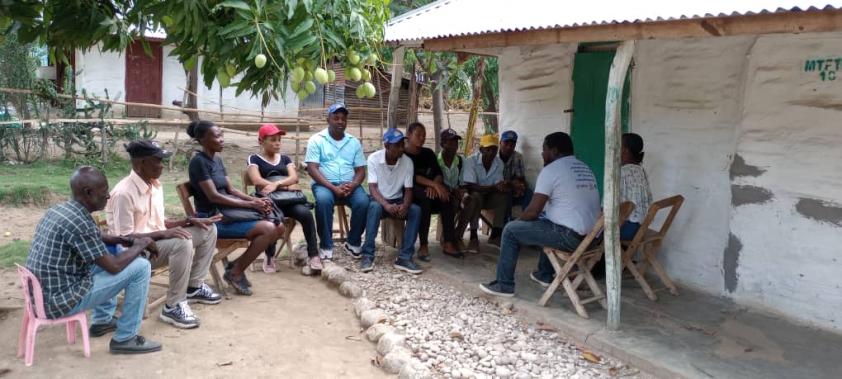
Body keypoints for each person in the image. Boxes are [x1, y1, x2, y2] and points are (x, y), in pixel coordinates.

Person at [26, 166, 162, 354]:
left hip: (44, 293)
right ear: (88, 193)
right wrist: (142, 243)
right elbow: (114, 267)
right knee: (140, 266)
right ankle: (125, 338)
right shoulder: (79, 222)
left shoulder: (63, 210)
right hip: (59, 301)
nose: (108, 196)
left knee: (111, 251)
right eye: (105, 191)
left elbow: (98, 236)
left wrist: (130, 240)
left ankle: (102, 321)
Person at [106, 140, 222, 329]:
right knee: (182, 243)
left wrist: (185, 221)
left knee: (207, 229)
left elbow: (157, 223)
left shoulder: (155, 185)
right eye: (157, 161)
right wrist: (166, 233)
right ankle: (173, 306)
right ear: (141, 163)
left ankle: (193, 286)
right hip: (135, 253)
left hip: (156, 245)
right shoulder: (123, 193)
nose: (162, 165)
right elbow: (124, 239)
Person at [479, 132, 600, 297]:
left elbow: (532, 212)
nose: (542, 154)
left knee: (511, 230)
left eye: (545, 150)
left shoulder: (551, 170)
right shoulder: (584, 168)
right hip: (592, 238)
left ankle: (503, 284)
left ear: (555, 151)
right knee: (546, 220)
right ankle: (544, 274)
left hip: (571, 237)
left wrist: (518, 224)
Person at [187, 120, 284, 296]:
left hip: (228, 214)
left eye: (221, 135)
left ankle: (235, 267)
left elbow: (231, 190)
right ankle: (236, 272)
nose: (222, 139)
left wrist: (257, 201)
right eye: (217, 136)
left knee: (278, 225)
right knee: (269, 228)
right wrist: (251, 204)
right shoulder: (198, 163)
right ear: (202, 140)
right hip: (213, 219)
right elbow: (214, 196)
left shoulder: (216, 159)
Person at [246, 123, 323, 273]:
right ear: (261, 141)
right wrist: (286, 186)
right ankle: (269, 256)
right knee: (273, 218)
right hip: (269, 202)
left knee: (306, 214)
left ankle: (313, 256)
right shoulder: (254, 159)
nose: (277, 143)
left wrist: (276, 185)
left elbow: (294, 178)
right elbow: (256, 180)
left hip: (289, 201)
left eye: (279, 140)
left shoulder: (285, 159)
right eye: (273, 139)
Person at [305, 103, 368, 260]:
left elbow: (361, 170)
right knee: (324, 200)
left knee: (363, 202)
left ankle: (353, 242)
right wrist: (333, 188)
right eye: (336, 118)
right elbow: (312, 168)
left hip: (349, 185)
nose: (340, 121)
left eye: (343, 118)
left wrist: (353, 185)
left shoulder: (353, 142)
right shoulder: (316, 140)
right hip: (325, 184)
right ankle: (326, 245)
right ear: (328, 119)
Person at [361, 128, 423, 274]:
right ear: (387, 146)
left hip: (398, 199)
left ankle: (404, 257)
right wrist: (387, 205)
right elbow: (373, 189)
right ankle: (367, 255)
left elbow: (408, 190)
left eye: (402, 144)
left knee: (415, 210)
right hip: (380, 200)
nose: (401, 148)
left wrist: (405, 206)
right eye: (397, 145)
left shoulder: (407, 162)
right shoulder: (374, 159)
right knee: (374, 208)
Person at [403, 122, 464, 260]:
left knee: (445, 197)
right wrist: (433, 185)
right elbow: (412, 177)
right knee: (426, 199)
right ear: (408, 135)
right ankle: (423, 245)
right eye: (418, 135)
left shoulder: (428, 153)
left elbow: (438, 173)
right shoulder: (404, 155)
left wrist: (436, 185)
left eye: (424, 135)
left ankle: (448, 242)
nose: (422, 138)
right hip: (410, 192)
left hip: (430, 191)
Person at [458, 133, 511, 253]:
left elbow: (498, 186)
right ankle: (473, 237)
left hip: (489, 197)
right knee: (477, 196)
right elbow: (471, 186)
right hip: (473, 197)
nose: (491, 153)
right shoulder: (471, 161)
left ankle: (495, 235)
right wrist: (494, 187)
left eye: (494, 149)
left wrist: (503, 186)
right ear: (481, 149)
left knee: (504, 195)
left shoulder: (499, 163)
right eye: (488, 149)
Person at [437, 128, 468, 250]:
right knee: (452, 202)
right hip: (441, 195)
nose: (454, 146)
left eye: (456, 143)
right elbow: (437, 183)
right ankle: (447, 238)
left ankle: (458, 235)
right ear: (442, 144)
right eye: (450, 143)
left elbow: (462, 182)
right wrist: (453, 192)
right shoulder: (436, 161)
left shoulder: (460, 161)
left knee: (471, 201)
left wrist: (463, 192)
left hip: (456, 193)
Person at [620, 133, 652, 241]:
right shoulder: (641, 170)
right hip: (642, 227)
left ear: (626, 151)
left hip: (628, 229)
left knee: (592, 231)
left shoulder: (622, 172)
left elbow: (614, 208)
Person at [499, 130, 532, 223]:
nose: (509, 147)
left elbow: (520, 178)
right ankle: (505, 224)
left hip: (511, 187)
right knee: (507, 193)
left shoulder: (518, 157)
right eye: (506, 143)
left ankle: (526, 222)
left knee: (529, 193)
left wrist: (520, 185)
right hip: (497, 188)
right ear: (500, 142)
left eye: (512, 144)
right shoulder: (494, 156)